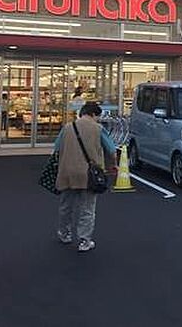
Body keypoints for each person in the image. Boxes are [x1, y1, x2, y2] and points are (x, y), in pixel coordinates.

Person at [54, 101, 116, 252]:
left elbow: (56, 148)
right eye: (98, 117)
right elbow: (112, 150)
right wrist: (113, 165)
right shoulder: (98, 129)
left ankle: (64, 233)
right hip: (88, 175)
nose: (98, 120)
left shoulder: (67, 127)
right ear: (93, 114)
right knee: (87, 209)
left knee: (66, 206)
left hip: (67, 172)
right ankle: (84, 241)